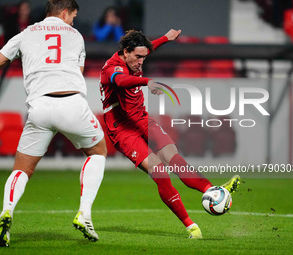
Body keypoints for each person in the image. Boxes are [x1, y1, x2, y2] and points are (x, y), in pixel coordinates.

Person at [0, 0, 107, 246]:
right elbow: (76, 72)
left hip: (39, 108)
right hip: (71, 105)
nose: (73, 21)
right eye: (73, 16)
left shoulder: (24, 34)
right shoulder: (76, 36)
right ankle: (85, 213)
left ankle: (5, 214)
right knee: (98, 152)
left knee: (22, 169)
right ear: (65, 12)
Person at [99, 29, 241, 239]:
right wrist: (147, 81)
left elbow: (148, 48)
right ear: (125, 52)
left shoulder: (136, 56)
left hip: (142, 119)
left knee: (174, 159)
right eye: (138, 57)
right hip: (122, 130)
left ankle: (213, 191)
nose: (141, 61)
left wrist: (166, 38)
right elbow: (120, 81)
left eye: (144, 57)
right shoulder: (112, 68)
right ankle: (190, 226)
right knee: (160, 173)